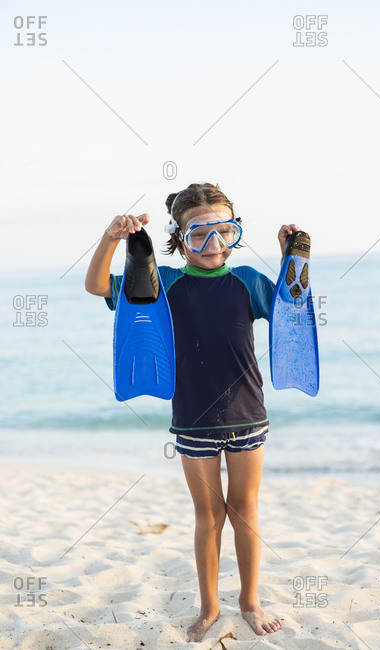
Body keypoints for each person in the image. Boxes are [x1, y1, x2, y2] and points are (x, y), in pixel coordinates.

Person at [85, 182, 299, 642]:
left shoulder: (248, 281)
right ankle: (208, 607)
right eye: (200, 234)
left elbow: (290, 308)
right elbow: (98, 285)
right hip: (193, 422)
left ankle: (250, 601)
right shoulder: (162, 284)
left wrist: (289, 259)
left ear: (236, 233)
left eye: (225, 231)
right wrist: (112, 238)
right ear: (179, 237)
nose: (213, 245)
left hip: (248, 416)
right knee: (209, 516)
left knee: (245, 511)